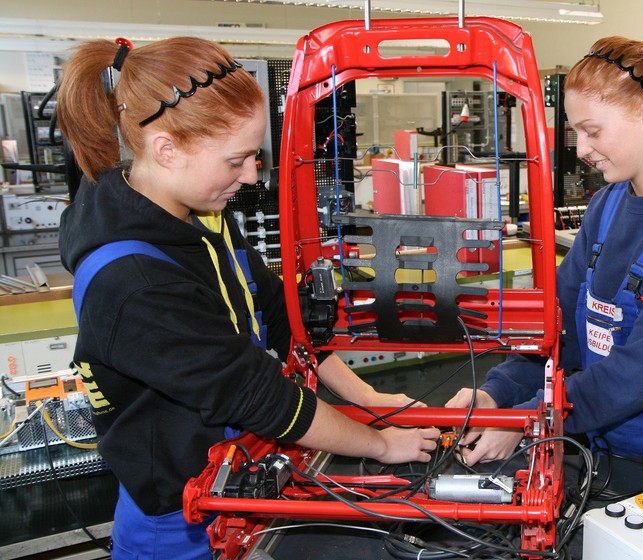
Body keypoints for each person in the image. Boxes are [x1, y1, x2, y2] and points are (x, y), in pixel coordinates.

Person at [56, 37, 440, 559]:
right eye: (236, 160)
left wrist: (368, 399)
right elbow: (256, 393)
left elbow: (280, 320)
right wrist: (379, 444)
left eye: (255, 156)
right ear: (166, 149)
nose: (252, 176)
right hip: (181, 520)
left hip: (243, 472)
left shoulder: (202, 214)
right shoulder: (132, 280)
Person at [446, 17, 643, 522]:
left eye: (592, 131)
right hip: (605, 444)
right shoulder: (607, 205)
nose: (582, 149)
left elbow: (640, 374)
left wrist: (527, 422)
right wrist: (496, 392)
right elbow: (560, 328)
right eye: (575, 132)